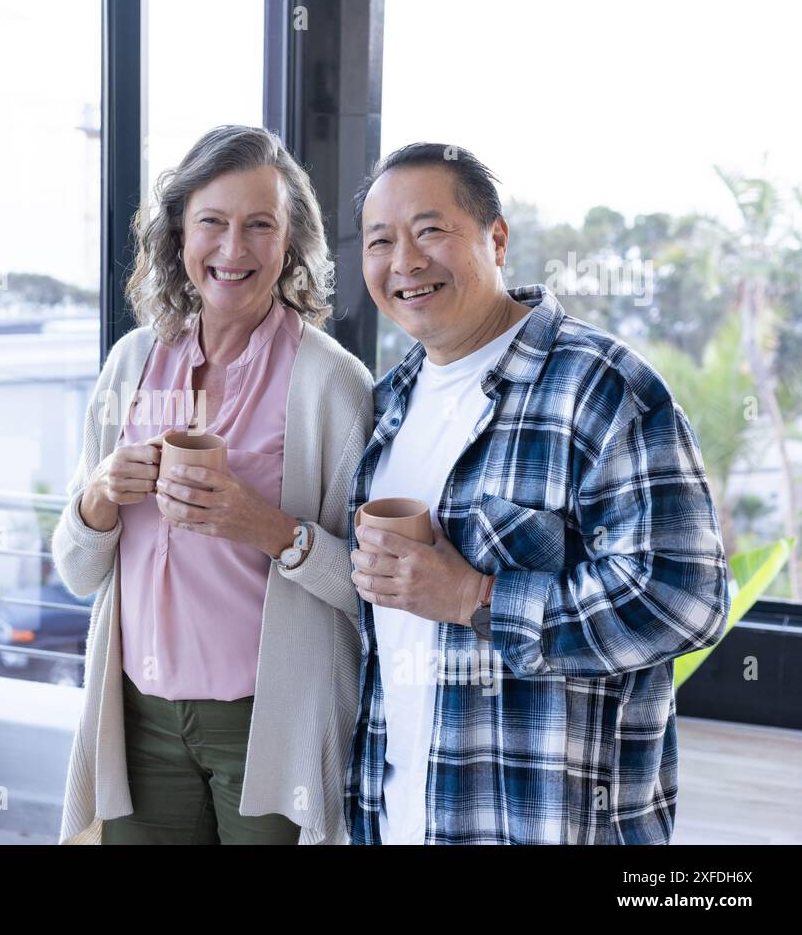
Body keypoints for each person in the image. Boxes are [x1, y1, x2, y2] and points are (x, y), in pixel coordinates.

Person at [345, 142, 730, 844]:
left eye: (430, 230)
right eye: (381, 240)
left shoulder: (602, 384)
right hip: (397, 816)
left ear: (496, 239)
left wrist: (475, 597)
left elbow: (686, 599)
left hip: (548, 824)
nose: (404, 261)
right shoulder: (387, 403)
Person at [53, 125, 373, 844]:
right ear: (179, 233)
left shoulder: (332, 386)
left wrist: (262, 524)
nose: (234, 250)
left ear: (291, 241)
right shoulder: (131, 364)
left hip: (268, 725)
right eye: (213, 223)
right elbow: (76, 570)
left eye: (260, 225)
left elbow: (372, 591)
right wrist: (101, 494)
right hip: (137, 720)